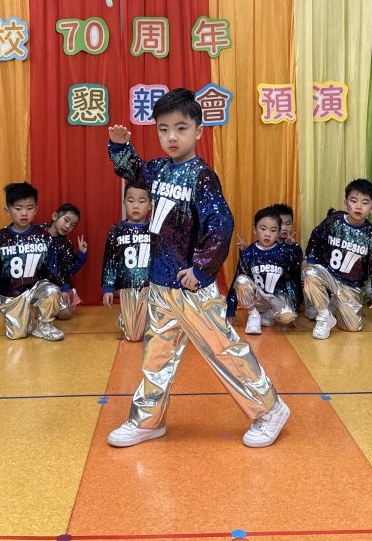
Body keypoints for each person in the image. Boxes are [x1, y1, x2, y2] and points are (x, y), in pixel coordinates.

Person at [106, 88, 290, 448]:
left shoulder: (202, 176)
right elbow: (133, 171)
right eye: (163, 129)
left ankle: (270, 409)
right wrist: (120, 146)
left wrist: (201, 268)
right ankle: (148, 420)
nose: (171, 137)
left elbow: (221, 224)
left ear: (198, 131)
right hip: (160, 284)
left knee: (224, 349)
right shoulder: (158, 169)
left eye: (181, 128)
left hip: (190, 286)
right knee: (156, 357)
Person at [0, 182, 70, 341]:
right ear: (7, 210)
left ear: (36, 210)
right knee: (18, 335)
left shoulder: (43, 236)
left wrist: (63, 285)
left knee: (52, 291)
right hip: (11, 292)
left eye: (29, 208)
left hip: (36, 287)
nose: (24, 213)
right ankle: (26, 317)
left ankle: (44, 326)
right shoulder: (0, 238)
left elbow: (51, 266)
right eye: (18, 208)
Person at [302, 179, 372, 340]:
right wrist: (311, 260)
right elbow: (316, 236)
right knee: (310, 273)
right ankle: (324, 315)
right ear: (345, 202)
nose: (358, 206)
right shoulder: (334, 220)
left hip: (351, 284)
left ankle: (335, 303)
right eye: (354, 201)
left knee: (352, 328)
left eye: (365, 203)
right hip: (328, 275)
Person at [233, 206, 299, 334]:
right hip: (258, 297)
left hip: (276, 297)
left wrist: (293, 248)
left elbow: (293, 272)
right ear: (255, 230)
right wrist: (231, 310)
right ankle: (253, 315)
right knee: (241, 280)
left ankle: (267, 316)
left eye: (273, 230)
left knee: (289, 315)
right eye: (263, 229)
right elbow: (241, 274)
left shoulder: (283, 252)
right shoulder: (249, 252)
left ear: (278, 233)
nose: (267, 234)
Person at [102, 184, 152, 342]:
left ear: (150, 205)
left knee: (151, 335)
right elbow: (110, 260)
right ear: (124, 202)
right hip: (127, 285)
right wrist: (108, 288)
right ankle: (126, 319)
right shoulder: (116, 230)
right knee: (134, 337)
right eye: (131, 201)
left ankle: (151, 320)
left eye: (142, 201)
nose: (136, 206)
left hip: (151, 287)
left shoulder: (155, 229)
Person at [42, 203, 88, 321]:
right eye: (66, 220)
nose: (68, 226)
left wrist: (81, 254)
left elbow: (68, 270)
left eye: (73, 225)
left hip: (58, 284)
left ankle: (55, 306)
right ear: (55, 216)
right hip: (39, 284)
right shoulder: (38, 233)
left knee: (65, 315)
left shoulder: (66, 244)